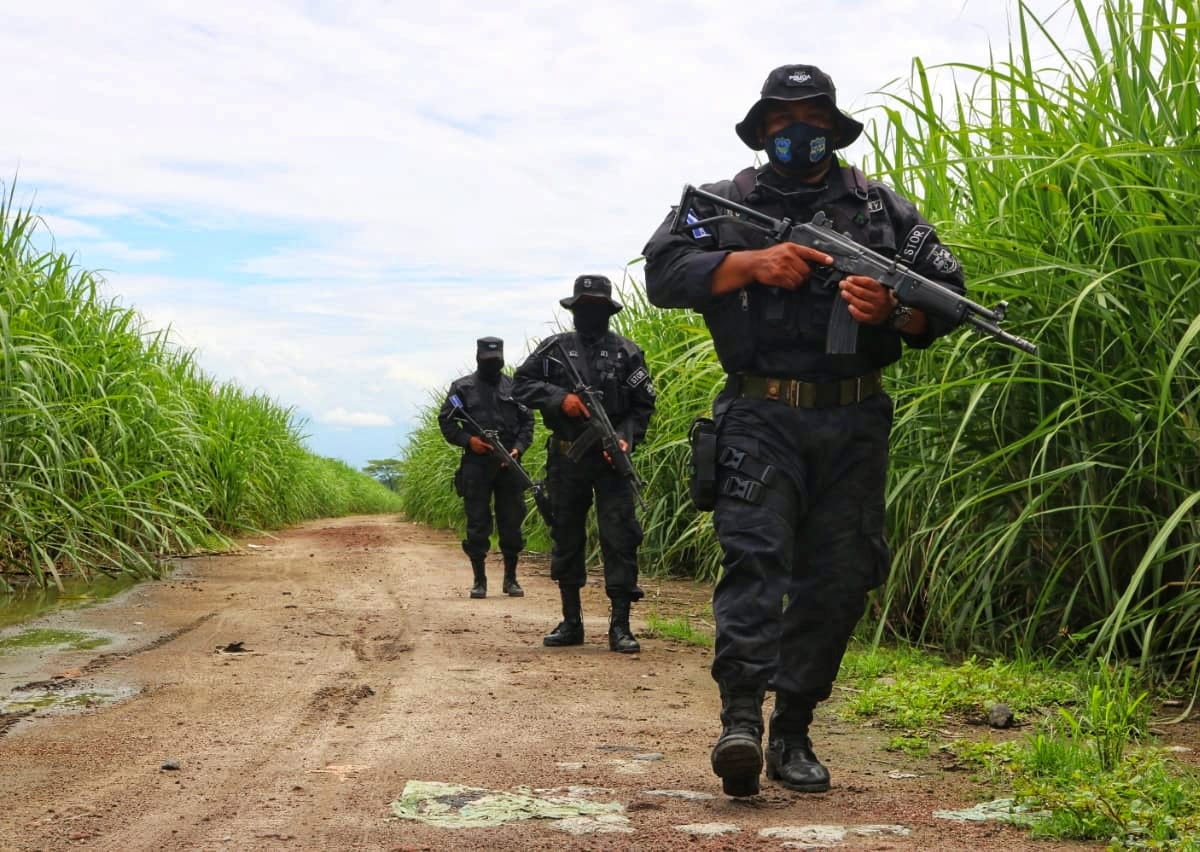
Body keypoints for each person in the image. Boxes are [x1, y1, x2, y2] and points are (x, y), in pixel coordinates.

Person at [642, 64, 966, 797]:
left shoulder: (882, 211)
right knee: (755, 560)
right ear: (762, 132)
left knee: (840, 577)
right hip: (759, 413)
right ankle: (739, 724)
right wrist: (750, 264)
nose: (799, 132)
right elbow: (662, 273)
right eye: (784, 120)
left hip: (854, 416)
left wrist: (892, 312)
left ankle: (793, 728)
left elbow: (944, 303)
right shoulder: (725, 204)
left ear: (834, 126)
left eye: (814, 118)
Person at [511, 275, 656, 654]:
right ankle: (571, 620)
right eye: (583, 308)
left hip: (611, 462)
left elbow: (643, 406)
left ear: (607, 311)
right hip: (566, 458)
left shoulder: (628, 352)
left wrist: (625, 437)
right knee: (566, 533)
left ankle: (620, 625)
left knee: (620, 536)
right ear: (574, 311)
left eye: (596, 308)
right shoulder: (555, 350)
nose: (588, 314)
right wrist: (560, 399)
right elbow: (520, 385)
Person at [438, 337, 535, 599]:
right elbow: (446, 422)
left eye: (496, 361)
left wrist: (518, 448)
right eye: (487, 361)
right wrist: (469, 441)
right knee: (478, 522)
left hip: (509, 465)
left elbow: (528, 423)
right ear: (478, 359)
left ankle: (511, 579)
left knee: (511, 522)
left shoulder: (515, 388)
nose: (492, 365)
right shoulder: (463, 389)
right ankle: (479, 580)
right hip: (476, 465)